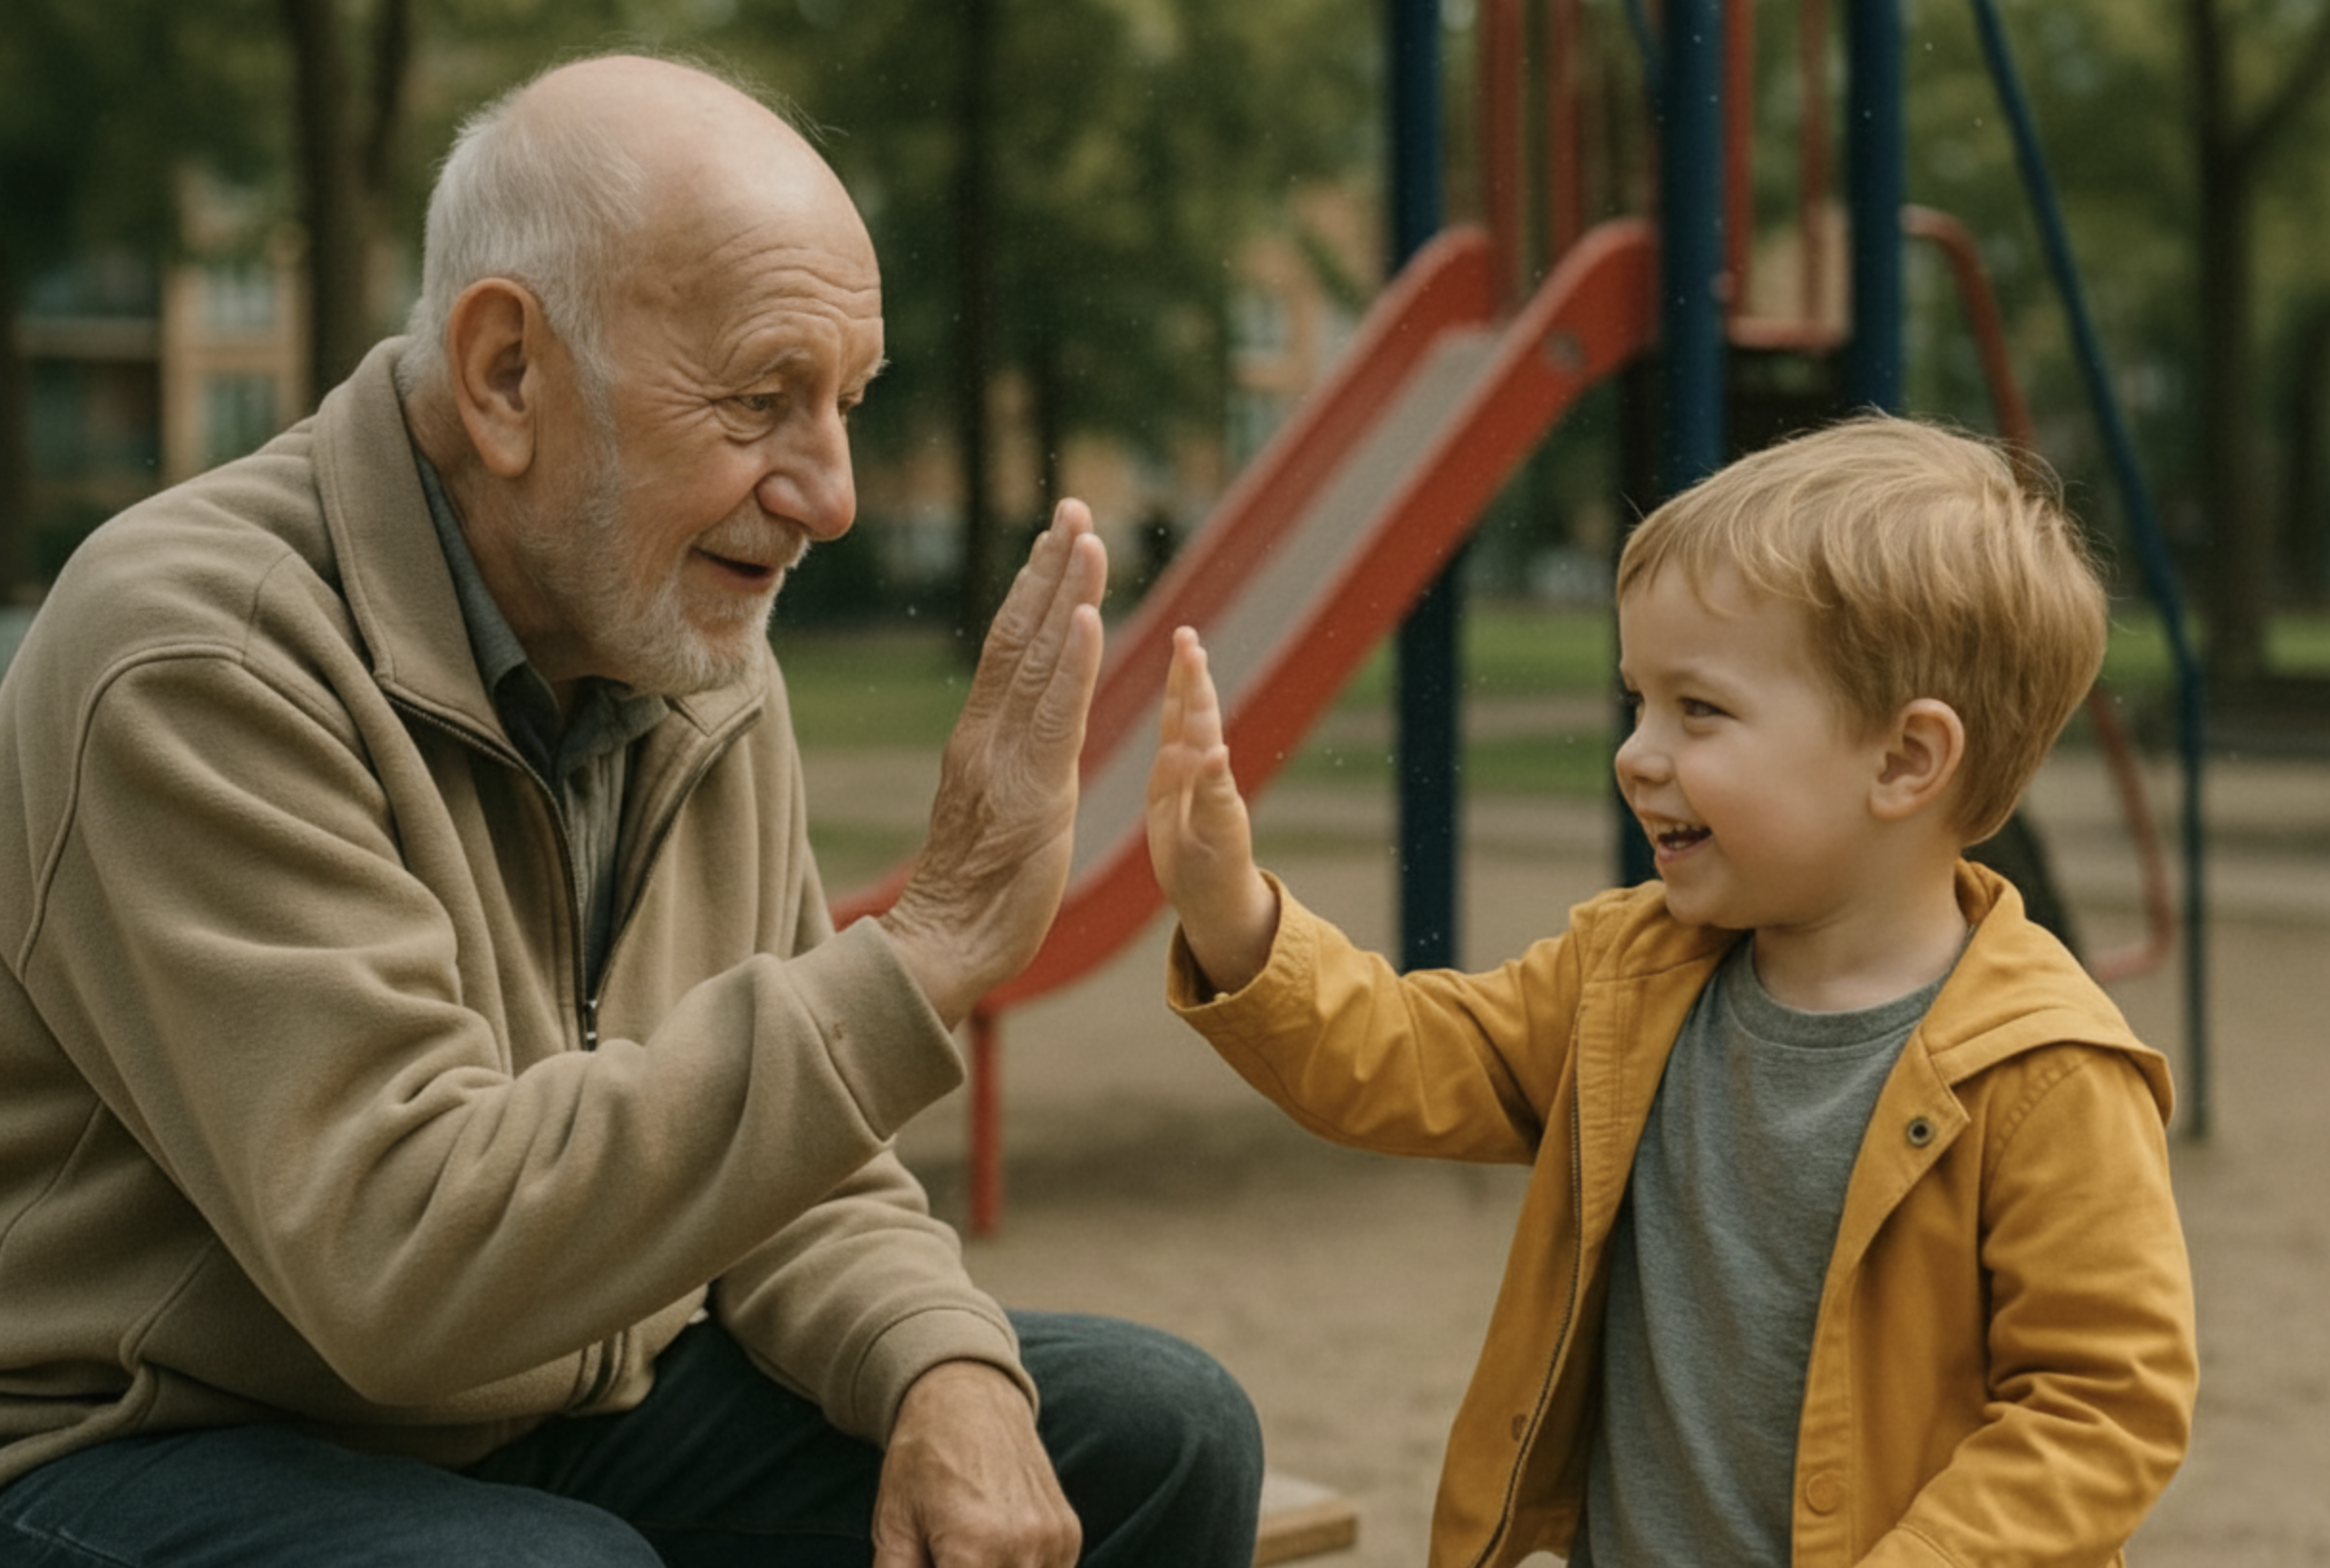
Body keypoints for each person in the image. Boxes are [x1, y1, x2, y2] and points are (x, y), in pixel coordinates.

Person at [0, 52, 1262, 1568]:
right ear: (507, 375)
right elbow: (402, 1263)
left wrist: (943, 1363)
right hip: (150, 1438)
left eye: (847, 403)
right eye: (761, 398)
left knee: (1156, 1425)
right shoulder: (198, 651)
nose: (832, 490)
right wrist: (922, 952)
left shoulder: (684, 638)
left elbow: (789, 1150)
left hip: (561, 1381)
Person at [1146, 415, 2197, 1567]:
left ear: (1904, 761)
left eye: (1698, 709)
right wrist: (1233, 915)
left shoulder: (2046, 1075)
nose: (1636, 753)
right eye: (1635, 700)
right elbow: (1405, 1057)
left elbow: (2101, 1406)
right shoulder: (1631, 976)